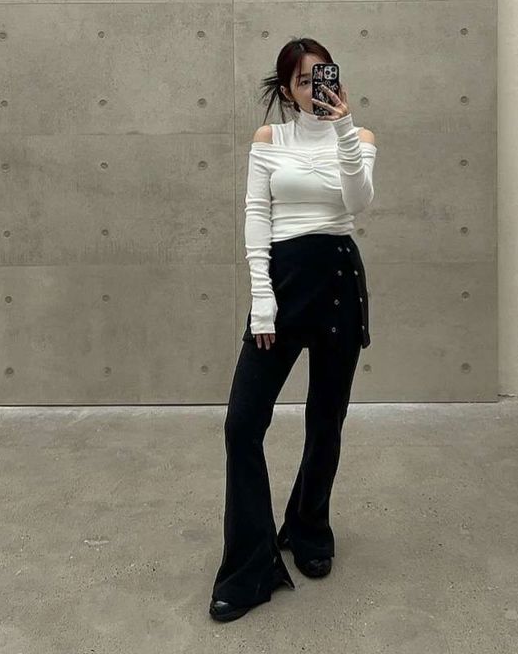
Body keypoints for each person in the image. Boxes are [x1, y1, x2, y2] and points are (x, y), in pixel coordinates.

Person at [209, 37, 377, 622]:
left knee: (326, 419)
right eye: (303, 80)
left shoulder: (358, 137)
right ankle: (249, 565)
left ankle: (309, 527)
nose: (315, 88)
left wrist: (345, 127)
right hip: (282, 286)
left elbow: (358, 202)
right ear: (287, 89)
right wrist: (262, 300)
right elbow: (257, 216)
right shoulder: (269, 140)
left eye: (322, 76)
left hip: (338, 285)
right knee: (242, 425)